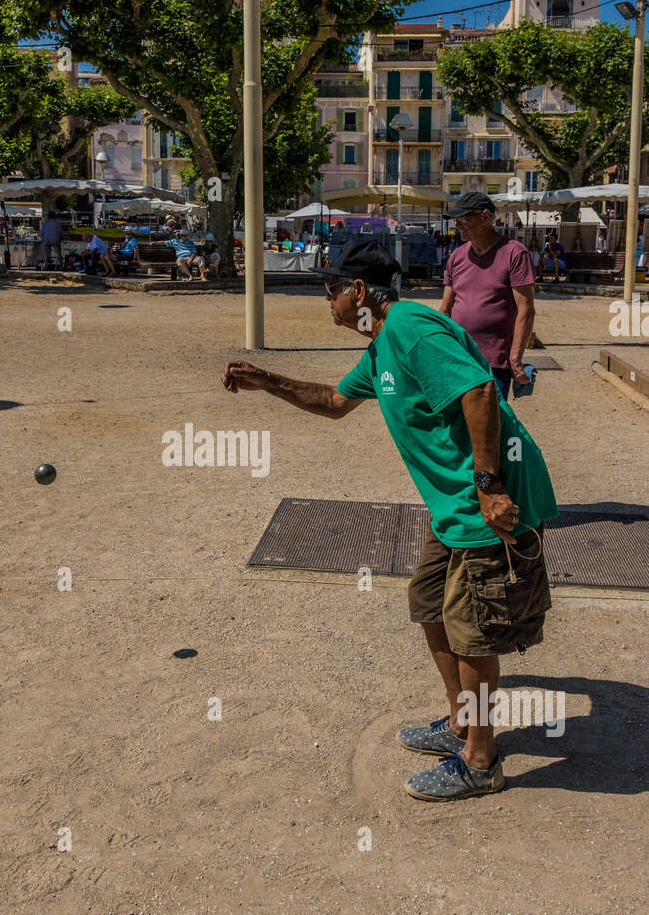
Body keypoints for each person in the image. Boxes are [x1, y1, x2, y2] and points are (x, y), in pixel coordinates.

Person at [221, 238, 558, 803]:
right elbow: (333, 401)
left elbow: (478, 392)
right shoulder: (382, 345)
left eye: (331, 289)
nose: (326, 301)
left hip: (488, 503)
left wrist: (490, 485)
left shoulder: (408, 326)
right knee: (429, 602)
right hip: (453, 508)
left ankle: (481, 760)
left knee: (472, 629)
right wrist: (267, 381)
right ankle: (459, 722)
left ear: (359, 292)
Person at [440, 192, 536, 403]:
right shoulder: (456, 257)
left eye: (463, 219)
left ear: (485, 217)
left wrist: (515, 359)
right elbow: (445, 310)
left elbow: (526, 310)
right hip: (459, 358)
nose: (458, 225)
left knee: (491, 428)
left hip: (495, 362)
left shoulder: (515, 253)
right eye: (456, 220)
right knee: (458, 426)